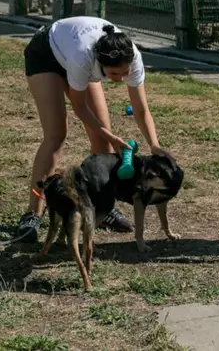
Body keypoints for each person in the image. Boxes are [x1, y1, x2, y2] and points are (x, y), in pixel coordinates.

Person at [17, 16, 173, 243]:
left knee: (102, 141)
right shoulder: (84, 56)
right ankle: (33, 213)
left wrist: (154, 144)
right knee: (56, 135)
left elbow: (141, 110)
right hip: (46, 55)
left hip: (75, 52)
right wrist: (114, 137)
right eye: (114, 74)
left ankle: (102, 205)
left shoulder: (132, 57)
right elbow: (79, 108)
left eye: (124, 72)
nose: (120, 79)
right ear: (100, 63)